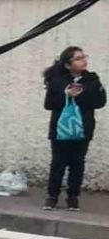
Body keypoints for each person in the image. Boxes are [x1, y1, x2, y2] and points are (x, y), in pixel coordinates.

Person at [43, 46, 105, 211]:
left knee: (77, 163)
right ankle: (52, 196)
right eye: (78, 58)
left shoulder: (92, 79)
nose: (83, 61)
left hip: (83, 128)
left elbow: (100, 102)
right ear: (68, 64)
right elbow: (48, 104)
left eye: (84, 57)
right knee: (58, 163)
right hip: (61, 129)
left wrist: (82, 94)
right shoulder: (57, 80)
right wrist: (66, 95)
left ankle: (73, 197)